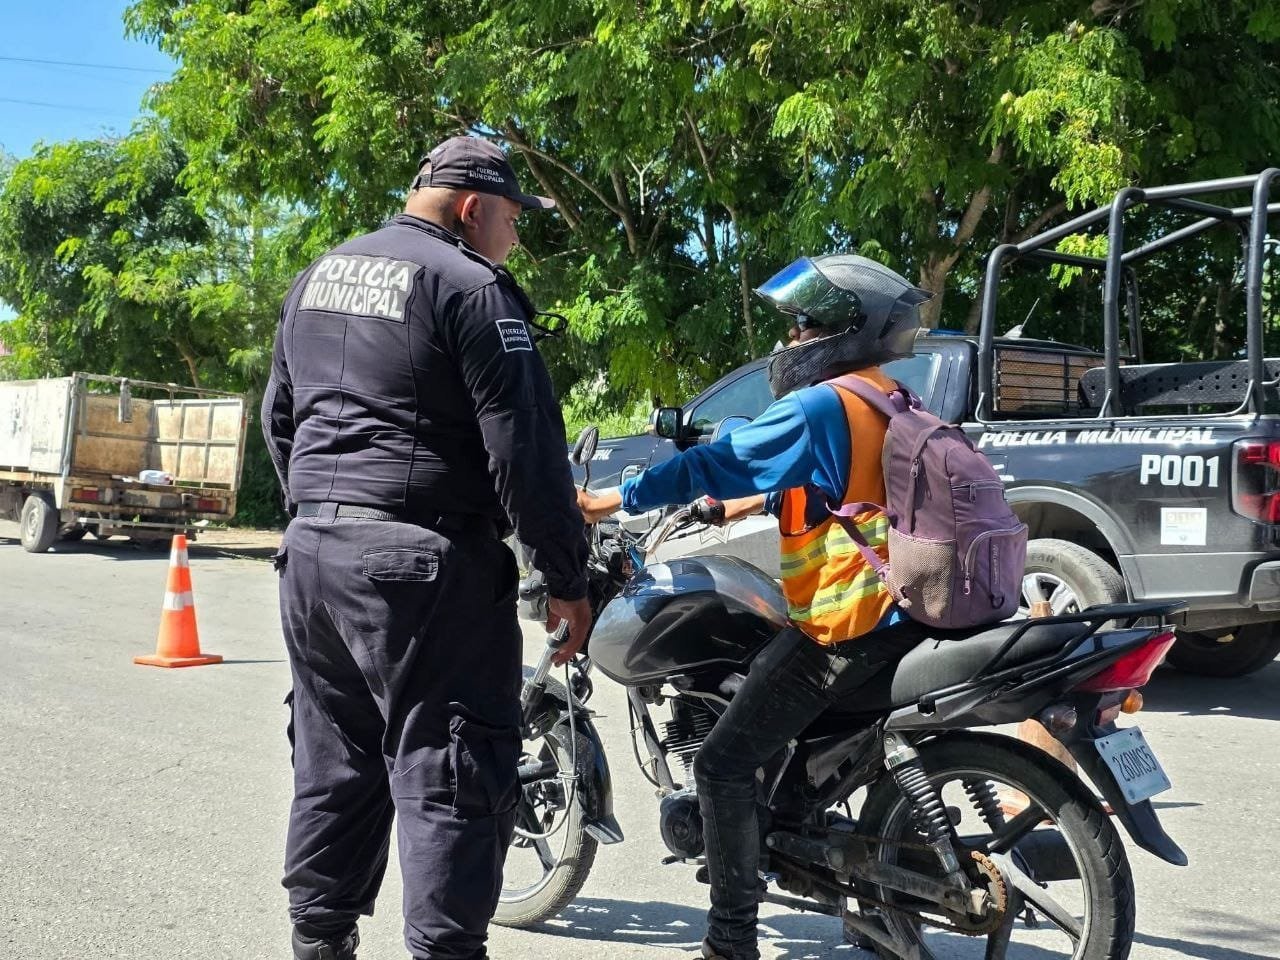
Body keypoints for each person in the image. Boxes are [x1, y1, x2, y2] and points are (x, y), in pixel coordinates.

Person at [263, 135, 592, 960]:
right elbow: (525, 453)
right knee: (452, 769)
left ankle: (319, 941)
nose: (516, 240)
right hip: (421, 565)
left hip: (313, 555)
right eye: (514, 221)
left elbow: (280, 421)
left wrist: (327, 513)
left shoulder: (318, 276)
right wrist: (565, 576)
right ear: (473, 208)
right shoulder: (471, 288)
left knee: (334, 760)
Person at [578, 254, 933, 960]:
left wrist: (603, 500)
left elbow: (716, 458)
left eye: (806, 325)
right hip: (911, 614)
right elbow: (841, 488)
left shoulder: (822, 402)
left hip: (850, 623)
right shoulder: (888, 397)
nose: (792, 338)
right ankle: (865, 895)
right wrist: (739, 504)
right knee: (800, 746)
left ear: (846, 331)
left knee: (722, 765)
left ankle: (731, 941)